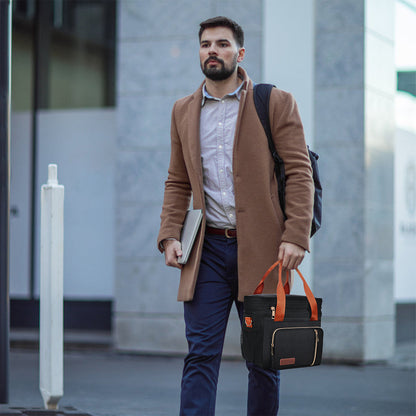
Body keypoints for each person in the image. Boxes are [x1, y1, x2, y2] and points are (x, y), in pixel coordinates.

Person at [157, 16, 314, 416]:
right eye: (206, 44)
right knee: (200, 355)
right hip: (206, 250)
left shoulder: (275, 102)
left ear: (239, 53)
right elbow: (177, 181)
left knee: (263, 361)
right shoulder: (182, 111)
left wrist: (296, 235)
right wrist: (169, 235)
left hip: (263, 252)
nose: (213, 50)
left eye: (223, 44)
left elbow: (299, 172)